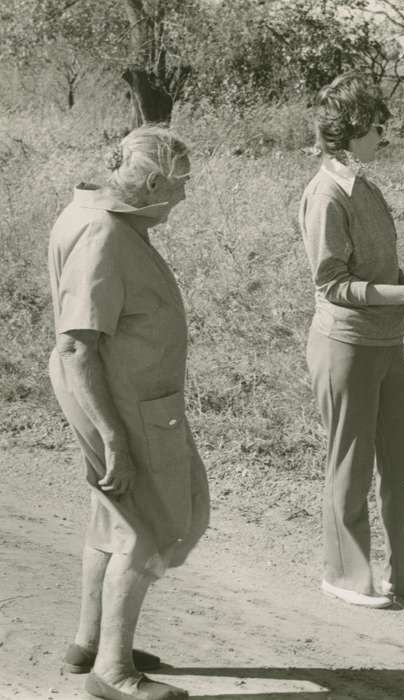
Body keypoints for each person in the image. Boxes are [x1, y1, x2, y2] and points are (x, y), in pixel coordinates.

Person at [48, 125, 209, 700]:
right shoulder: (104, 232)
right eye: (181, 184)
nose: (185, 196)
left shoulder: (92, 214)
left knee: (112, 516)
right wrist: (115, 437)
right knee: (150, 525)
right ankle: (114, 671)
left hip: (118, 397)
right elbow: (77, 344)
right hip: (122, 403)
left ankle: (90, 641)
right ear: (150, 182)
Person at [295, 72, 404, 608]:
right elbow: (332, 284)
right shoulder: (324, 196)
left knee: (401, 459)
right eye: (377, 125)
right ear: (348, 130)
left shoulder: (364, 185)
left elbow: (380, 267)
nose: (386, 133)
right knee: (350, 461)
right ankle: (343, 575)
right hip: (344, 345)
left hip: (385, 343)